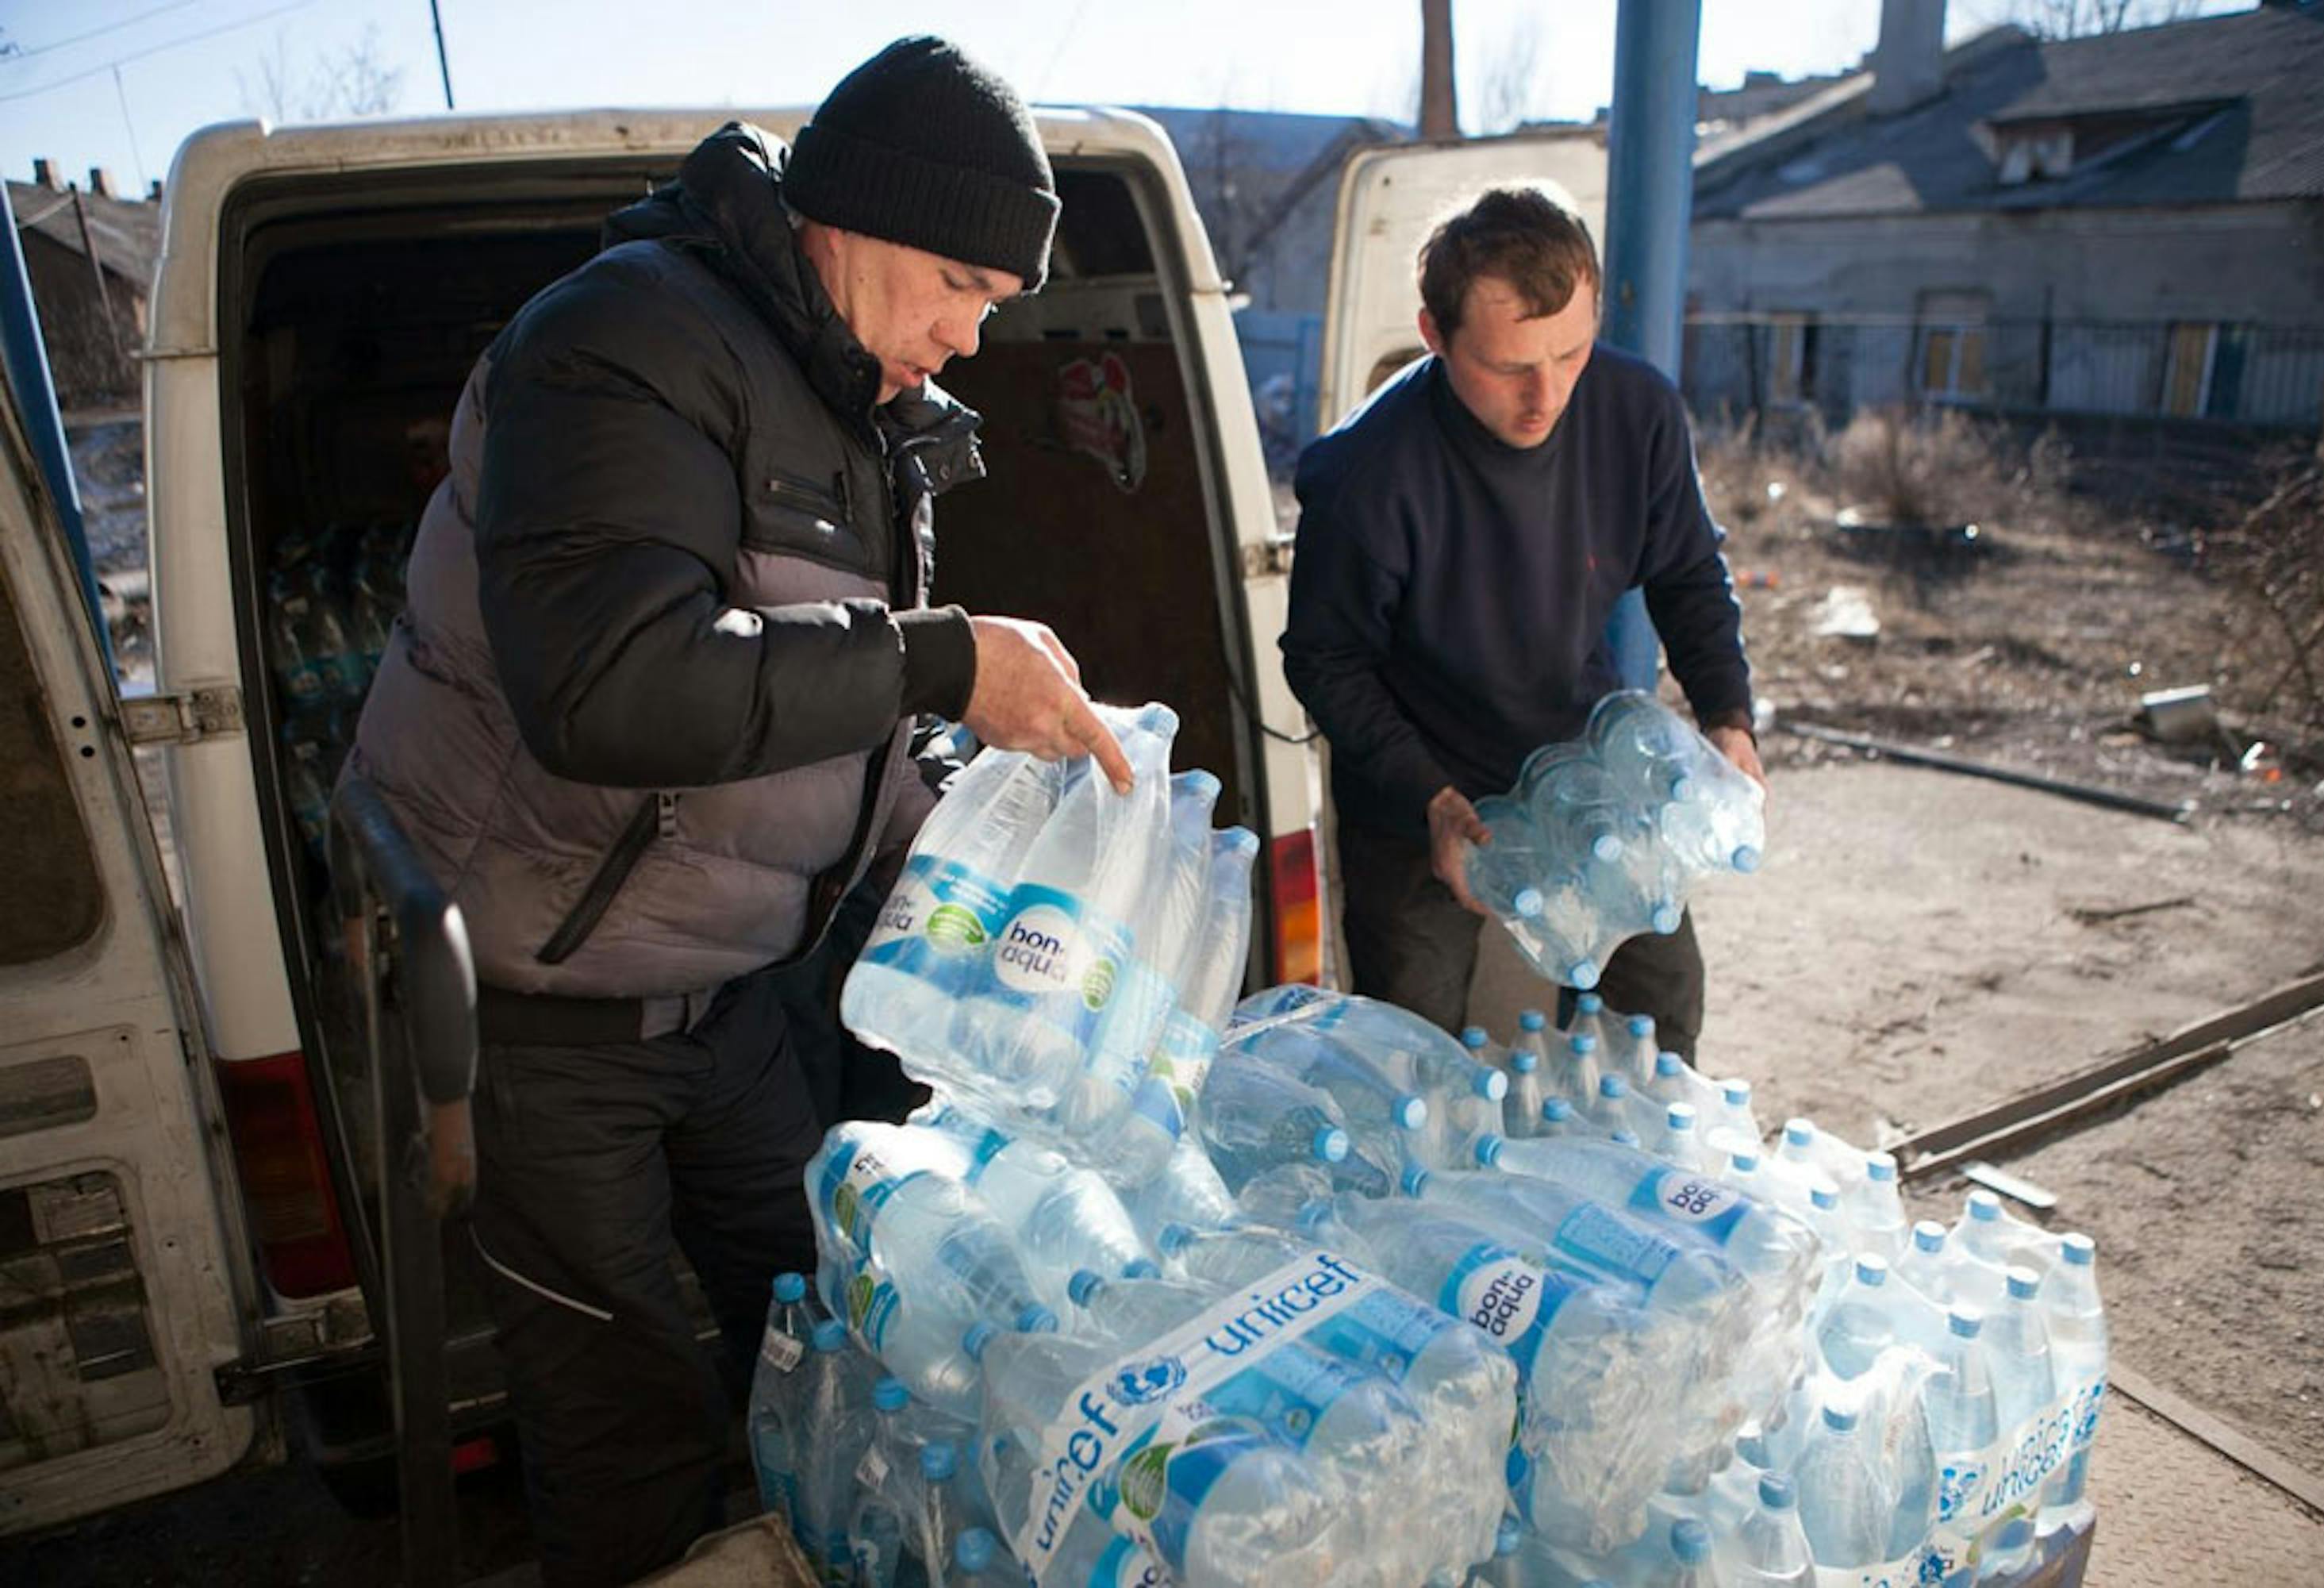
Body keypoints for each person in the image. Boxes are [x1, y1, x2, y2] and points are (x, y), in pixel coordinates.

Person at [346, 37, 1124, 1585]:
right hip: (540, 1005)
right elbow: (614, 690)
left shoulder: (856, 406)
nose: (968, 336)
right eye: (961, 283)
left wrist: (1000, 842)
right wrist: (944, 659)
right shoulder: (620, 346)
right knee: (626, 1415)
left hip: (729, 986)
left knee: (832, 1306)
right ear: (858, 213)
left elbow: (835, 706)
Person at [1281, 185, 1762, 1060]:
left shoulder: (1637, 411)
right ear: (1433, 335)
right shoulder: (1366, 473)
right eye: (1508, 369)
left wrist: (1728, 715)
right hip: (1420, 780)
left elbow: (1689, 574)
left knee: (1661, 1003)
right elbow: (1326, 661)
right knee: (1413, 1036)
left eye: (1570, 355)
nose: (1546, 397)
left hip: (1586, 763)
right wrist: (1428, 796)